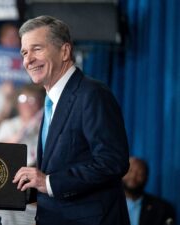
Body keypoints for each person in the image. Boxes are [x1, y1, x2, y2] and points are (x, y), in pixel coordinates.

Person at [12, 16, 130, 225]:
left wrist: (48, 182)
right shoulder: (51, 101)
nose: (28, 60)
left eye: (37, 49)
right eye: (24, 52)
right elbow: (60, 165)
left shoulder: (91, 94)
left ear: (65, 51)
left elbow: (112, 162)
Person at [123, 157, 176, 225]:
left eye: (140, 173)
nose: (133, 176)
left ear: (146, 177)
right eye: (129, 171)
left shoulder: (163, 209)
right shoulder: (108, 204)